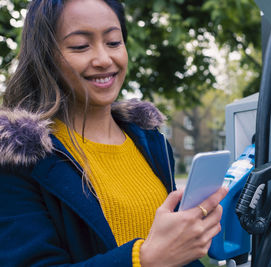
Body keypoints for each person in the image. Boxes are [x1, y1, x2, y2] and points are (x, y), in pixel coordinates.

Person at [0, 0, 228, 266]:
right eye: (80, 46)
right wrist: (145, 259)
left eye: (113, 42)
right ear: (46, 57)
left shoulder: (152, 142)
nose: (104, 59)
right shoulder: (19, 160)